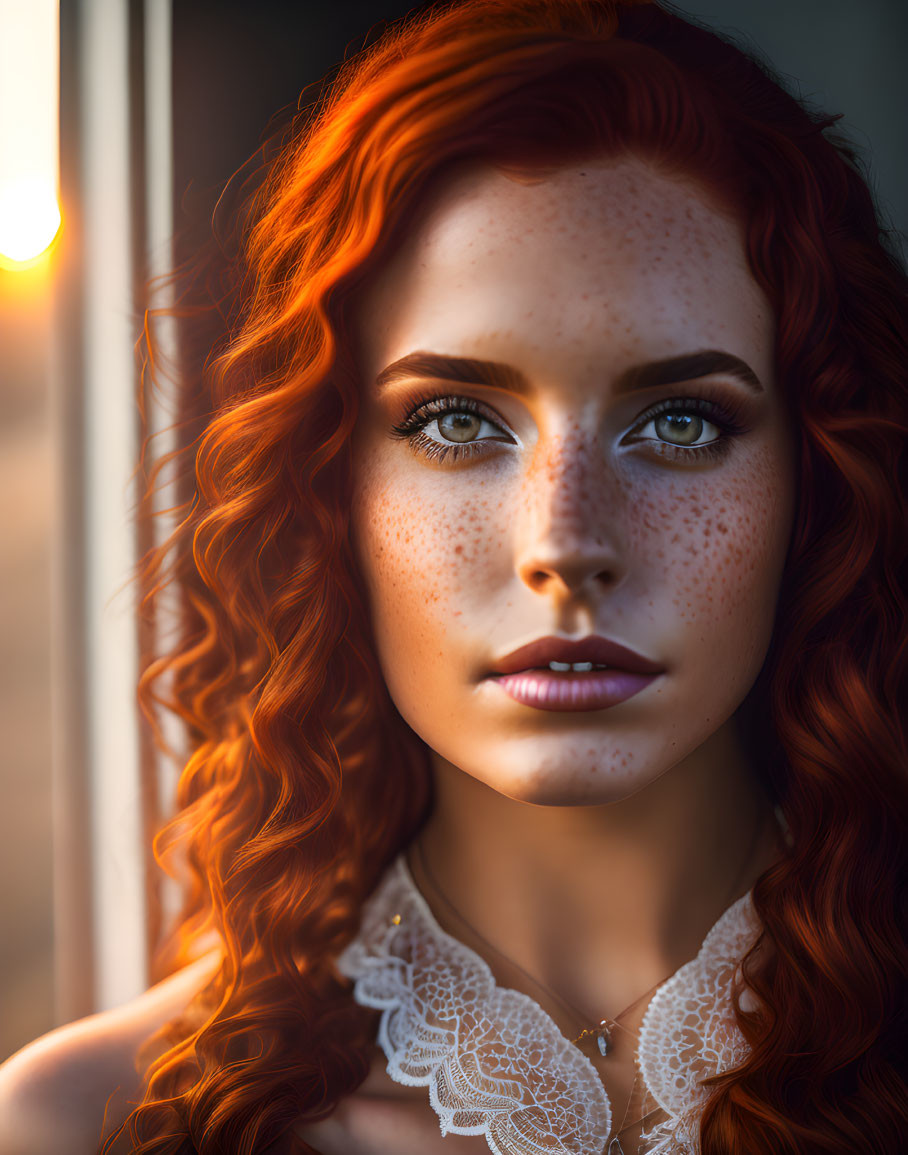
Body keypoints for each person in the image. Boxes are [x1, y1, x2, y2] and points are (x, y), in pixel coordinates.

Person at [1, 1, 905, 1152]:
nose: (565, 541)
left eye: (679, 422)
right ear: (324, 489)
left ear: (818, 477)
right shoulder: (91, 1124)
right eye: (451, 421)